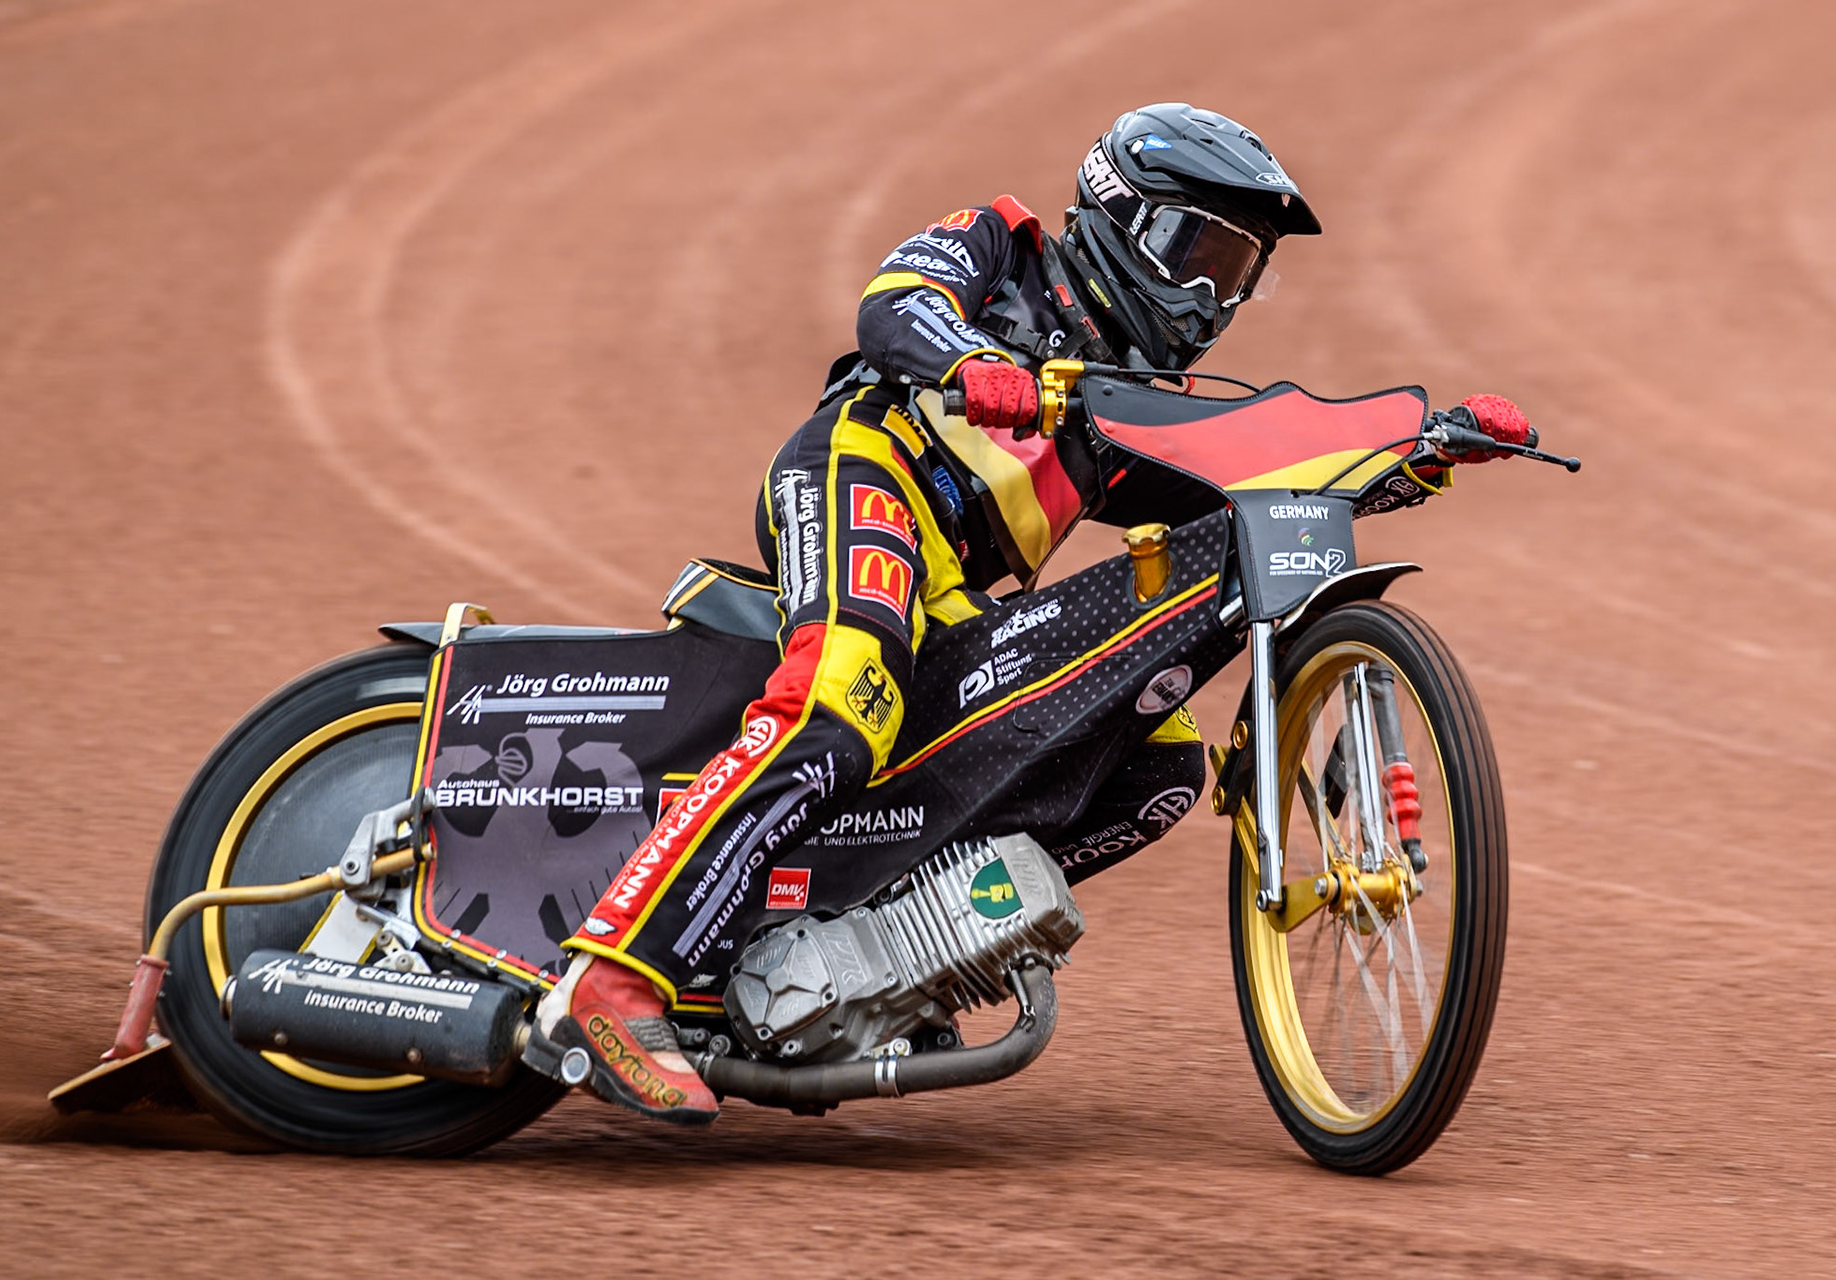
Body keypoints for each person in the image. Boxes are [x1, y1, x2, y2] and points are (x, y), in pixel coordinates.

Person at [521, 103, 1532, 1124]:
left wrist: (1410, 457)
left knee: (1159, 759)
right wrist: (970, 362)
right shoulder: (1002, 243)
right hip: (863, 469)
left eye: (1235, 270)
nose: (1207, 294)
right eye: (1195, 249)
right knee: (844, 701)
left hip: (955, 581)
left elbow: (1239, 489)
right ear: (1118, 213)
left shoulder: (1132, 401)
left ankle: (883, 945)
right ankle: (610, 977)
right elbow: (894, 303)